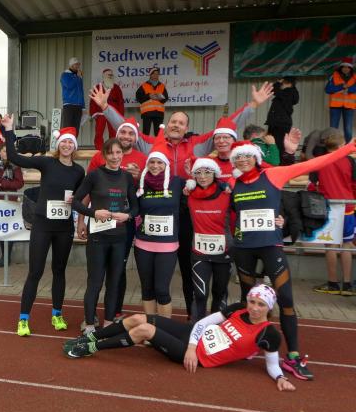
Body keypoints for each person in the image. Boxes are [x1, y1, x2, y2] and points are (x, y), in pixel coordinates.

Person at [92, 81, 274, 321]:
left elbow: (225, 129)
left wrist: (252, 106)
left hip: (189, 212)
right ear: (167, 125)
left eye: (181, 123)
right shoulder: (151, 144)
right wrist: (106, 108)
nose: (176, 125)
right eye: (173, 122)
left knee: (189, 268)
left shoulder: (199, 144)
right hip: (158, 209)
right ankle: (154, 318)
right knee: (154, 274)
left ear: (187, 127)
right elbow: (127, 129)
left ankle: (192, 316)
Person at [228, 134, 356, 381]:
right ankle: (251, 342)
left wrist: (347, 149)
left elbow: (314, 164)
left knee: (286, 299)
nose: (243, 160)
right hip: (244, 248)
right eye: (238, 157)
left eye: (247, 156)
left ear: (255, 158)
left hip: (270, 246)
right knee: (248, 300)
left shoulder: (273, 175)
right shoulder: (234, 183)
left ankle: (293, 355)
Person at [62, 284, 298, 393]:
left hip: (200, 357)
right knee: (137, 318)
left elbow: (272, 364)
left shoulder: (269, 333)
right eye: (252, 301)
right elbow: (203, 323)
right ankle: (90, 336)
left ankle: (92, 347)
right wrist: (193, 346)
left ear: (269, 307)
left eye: (261, 305)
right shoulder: (238, 309)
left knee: (145, 330)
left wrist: (280, 378)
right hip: (192, 338)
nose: (254, 308)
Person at [3, 115, 85, 336]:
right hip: (42, 226)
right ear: (58, 145)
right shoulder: (47, 163)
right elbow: (14, 157)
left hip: (64, 229)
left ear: (75, 147)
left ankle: (57, 314)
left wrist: (77, 206)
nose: (66, 145)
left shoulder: (79, 171)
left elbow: (81, 197)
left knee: (59, 271)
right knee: (35, 272)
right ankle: (23, 319)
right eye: (63, 142)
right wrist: (9, 130)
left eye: (70, 142)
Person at [79, 118, 146, 321]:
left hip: (119, 237)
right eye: (111, 153)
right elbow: (76, 202)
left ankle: (109, 320)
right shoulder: (94, 175)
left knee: (114, 281)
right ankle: (89, 322)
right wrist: (92, 214)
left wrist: (128, 215)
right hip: (98, 237)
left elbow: (135, 206)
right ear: (104, 155)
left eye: (118, 153)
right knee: (95, 282)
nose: (115, 156)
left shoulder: (127, 177)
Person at [133, 142, 184, 320]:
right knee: (147, 289)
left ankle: (164, 328)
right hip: (143, 244)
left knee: (162, 289)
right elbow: (133, 208)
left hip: (167, 246)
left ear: (166, 164)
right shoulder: (141, 184)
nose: (155, 166)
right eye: (152, 162)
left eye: (159, 162)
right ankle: (150, 326)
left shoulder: (177, 183)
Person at [184, 158, 233, 322]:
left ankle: (217, 328)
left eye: (207, 172)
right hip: (199, 253)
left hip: (223, 253)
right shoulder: (189, 194)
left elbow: (248, 206)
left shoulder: (227, 193)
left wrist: (280, 218)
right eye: (198, 173)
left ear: (215, 174)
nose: (203, 176)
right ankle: (196, 328)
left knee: (220, 293)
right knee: (200, 293)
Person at [309, 132, 356, 296]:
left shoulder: (320, 161)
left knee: (330, 246)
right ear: (341, 145)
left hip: (329, 207)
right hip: (348, 207)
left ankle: (333, 283)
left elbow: (312, 185)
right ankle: (348, 285)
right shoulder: (350, 161)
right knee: (347, 245)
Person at [0, 143, 23, 267]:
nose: (6, 153)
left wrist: (3, 183)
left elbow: (19, 183)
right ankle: (4, 257)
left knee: (8, 230)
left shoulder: (15, 165)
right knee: (0, 230)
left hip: (9, 202)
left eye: (8, 151)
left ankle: (6, 258)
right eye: (4, 151)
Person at [265, 76, 299, 164]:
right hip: (276, 123)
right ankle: (275, 162)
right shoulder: (287, 92)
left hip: (281, 123)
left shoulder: (289, 92)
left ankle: (279, 163)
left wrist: (278, 82)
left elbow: (274, 90)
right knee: (272, 143)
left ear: (288, 83)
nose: (281, 85)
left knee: (278, 145)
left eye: (282, 83)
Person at [89, 68, 123, 149]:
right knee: (99, 132)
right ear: (104, 76)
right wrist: (93, 113)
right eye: (109, 75)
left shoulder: (116, 88)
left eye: (111, 75)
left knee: (113, 132)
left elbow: (121, 102)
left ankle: (113, 147)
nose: (110, 76)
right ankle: (99, 148)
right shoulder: (98, 87)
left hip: (113, 113)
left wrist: (120, 115)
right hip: (101, 113)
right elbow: (93, 101)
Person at [325, 57, 356, 141]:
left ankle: (348, 147)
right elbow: (327, 89)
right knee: (333, 128)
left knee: (348, 129)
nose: (346, 69)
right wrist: (341, 87)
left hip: (349, 106)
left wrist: (349, 89)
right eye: (344, 67)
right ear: (341, 67)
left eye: (348, 67)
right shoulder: (334, 76)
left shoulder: (355, 77)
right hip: (335, 106)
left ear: (351, 68)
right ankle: (332, 146)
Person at [135, 67, 168, 136]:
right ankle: (145, 143)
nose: (156, 75)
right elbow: (138, 97)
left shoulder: (162, 86)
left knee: (159, 134)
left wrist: (160, 98)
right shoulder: (144, 85)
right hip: (147, 113)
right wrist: (148, 96)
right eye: (154, 74)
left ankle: (158, 143)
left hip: (159, 113)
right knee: (146, 133)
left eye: (157, 74)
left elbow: (166, 98)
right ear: (150, 75)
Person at [60, 57, 85, 132]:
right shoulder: (65, 75)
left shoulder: (78, 76)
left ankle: (74, 139)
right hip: (69, 104)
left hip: (79, 105)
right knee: (67, 126)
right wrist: (77, 77)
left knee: (76, 128)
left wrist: (83, 107)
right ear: (71, 65)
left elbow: (81, 91)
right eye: (76, 64)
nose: (78, 66)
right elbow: (69, 85)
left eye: (78, 64)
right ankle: (66, 139)